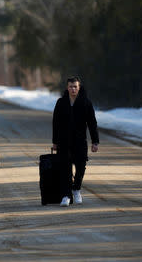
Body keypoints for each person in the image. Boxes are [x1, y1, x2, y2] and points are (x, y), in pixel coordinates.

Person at [52, 77, 99, 207]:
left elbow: (92, 123)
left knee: (81, 166)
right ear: (67, 88)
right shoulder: (61, 102)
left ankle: (76, 189)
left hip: (80, 141)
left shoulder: (86, 102)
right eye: (71, 86)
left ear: (79, 88)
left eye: (75, 87)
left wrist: (95, 141)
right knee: (65, 168)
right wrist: (55, 141)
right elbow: (55, 123)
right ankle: (66, 195)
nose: (73, 89)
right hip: (63, 141)